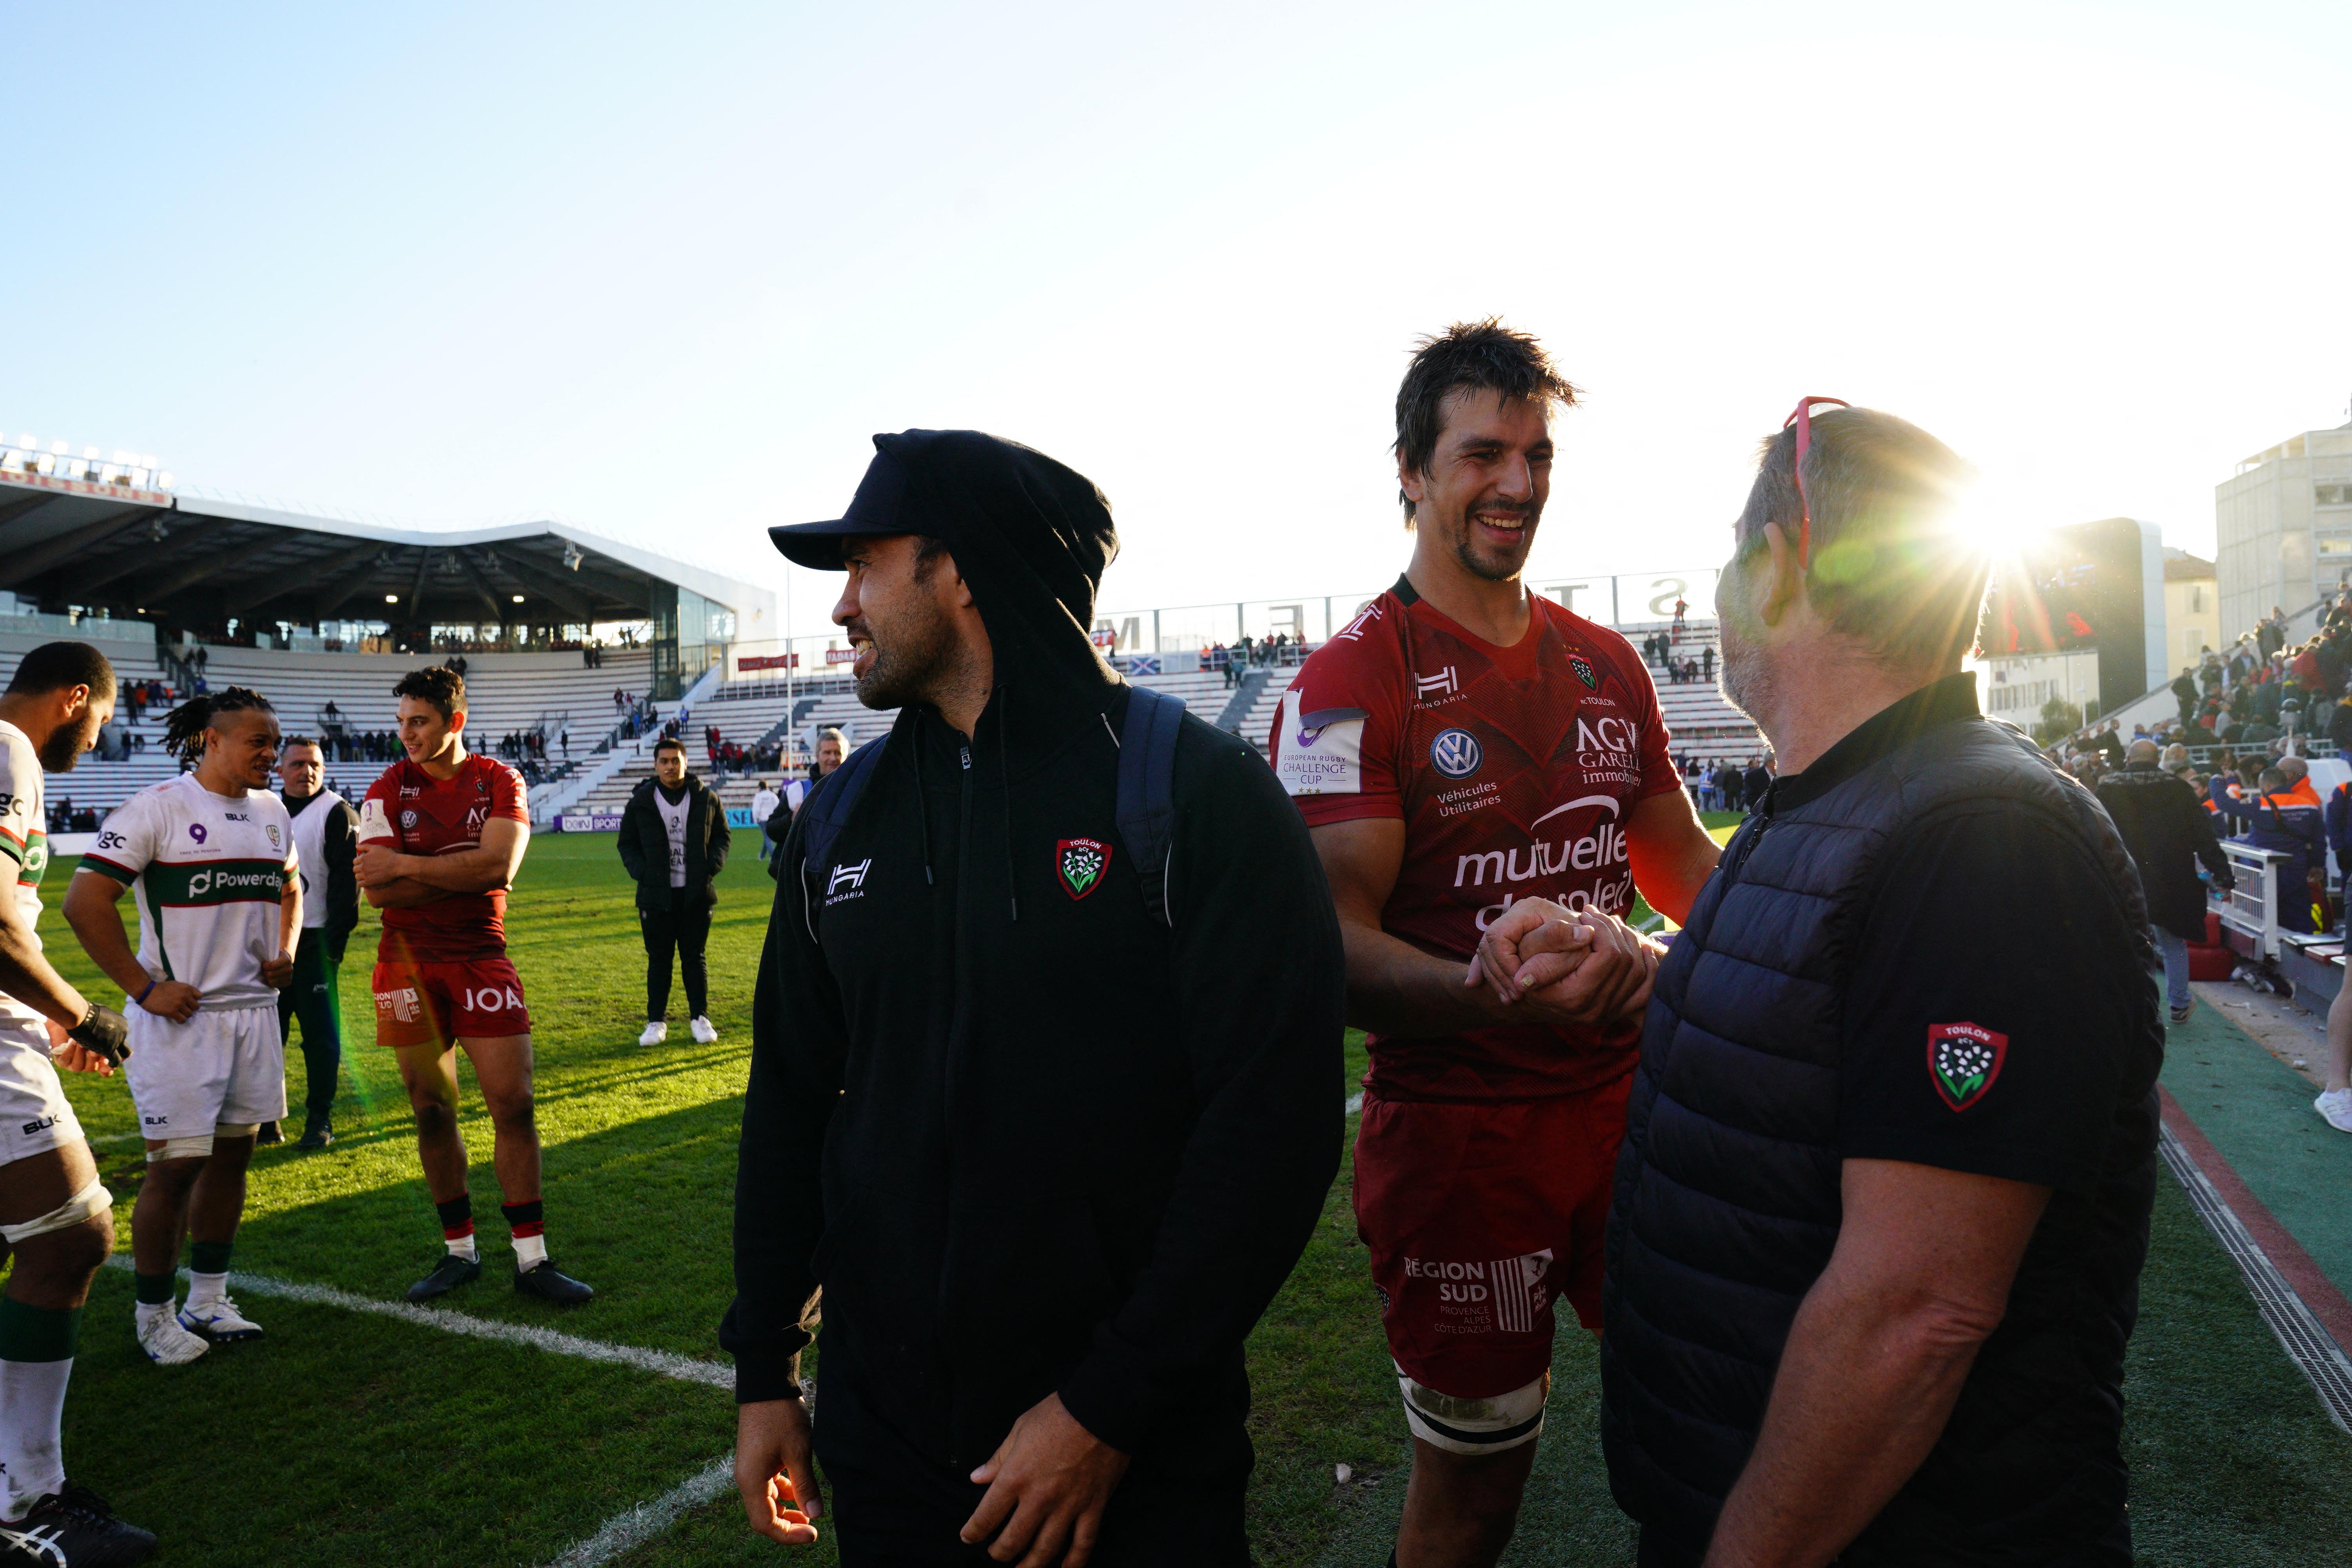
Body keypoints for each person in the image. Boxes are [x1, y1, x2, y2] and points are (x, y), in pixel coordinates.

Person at [728, 429, 1343, 1565]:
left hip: (1135, 1465)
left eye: (865, 567)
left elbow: (1273, 1132)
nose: (842, 608)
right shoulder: (840, 820)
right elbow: (793, 1102)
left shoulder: (1195, 798)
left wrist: (1107, 1408)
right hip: (892, 1457)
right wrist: (767, 1366)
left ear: (956, 572)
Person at [1574, 400, 2164, 1566]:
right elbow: (1819, 1034)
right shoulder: (1836, 797)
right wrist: (1629, 967)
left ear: (1783, 562)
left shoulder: (1981, 832)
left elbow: (1915, 1312)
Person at [1267, 321, 1718, 1568]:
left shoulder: (1607, 665)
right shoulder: (1347, 682)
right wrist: (1488, 988)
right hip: (1461, 1143)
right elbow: (1331, 950)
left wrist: (1695, 953)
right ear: (1410, 471)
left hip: (1640, 1113)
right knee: (1472, 1498)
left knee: (1713, 1436)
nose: (1515, 485)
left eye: (1535, 455)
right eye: (1481, 455)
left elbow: (1684, 871)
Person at [66, 687, 299, 1367]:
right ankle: (154, 1316)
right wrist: (143, 988)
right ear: (212, 740)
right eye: (257, 741)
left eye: (274, 741)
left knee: (234, 1156)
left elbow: (290, 886)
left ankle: (209, 1298)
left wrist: (284, 948)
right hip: (180, 1023)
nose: (270, 754)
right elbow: (86, 902)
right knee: (175, 1168)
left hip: (252, 1017)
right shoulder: (159, 810)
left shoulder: (272, 812)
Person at [354, 668, 591, 1306]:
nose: (406, 734)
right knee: (432, 1108)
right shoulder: (383, 788)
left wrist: (407, 864)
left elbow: (499, 864)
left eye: (419, 722)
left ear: (454, 721)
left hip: (481, 958)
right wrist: (458, 870)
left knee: (513, 1103)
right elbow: (375, 891)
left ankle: (532, 1260)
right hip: (404, 963)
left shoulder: (498, 779)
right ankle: (460, 1251)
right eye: (401, 721)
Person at [0, 644, 156, 1562]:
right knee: (72, 1233)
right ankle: (30, 1503)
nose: (97, 738)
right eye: (97, 720)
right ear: (71, 699)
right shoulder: (10, 751)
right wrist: (83, 1013)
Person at [2096, 739, 2234, 1024]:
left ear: (2128, 760)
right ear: (2158, 759)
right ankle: (2179, 1004)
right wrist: (2223, 876)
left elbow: (2095, 834)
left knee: (2124, 944)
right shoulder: (2179, 789)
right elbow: (2204, 838)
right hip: (2171, 880)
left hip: (2122, 877)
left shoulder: (2108, 789)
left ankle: (2128, 1008)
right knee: (2173, 943)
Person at [269, 737, 359, 1150]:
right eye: (298, 764)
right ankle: (267, 1118)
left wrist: (333, 947)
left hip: (314, 942)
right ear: (280, 769)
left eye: (316, 765)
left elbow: (347, 888)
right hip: (264, 944)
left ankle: (319, 1118)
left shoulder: (338, 813)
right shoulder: (259, 809)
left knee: (321, 1036)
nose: (307, 771)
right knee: (266, 1035)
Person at [618, 737, 729, 1047]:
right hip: (656, 897)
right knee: (659, 960)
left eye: (676, 760)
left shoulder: (706, 797)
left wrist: (711, 866)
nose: (671, 766)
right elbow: (626, 842)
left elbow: (722, 835)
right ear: (656, 765)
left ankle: (700, 1019)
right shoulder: (641, 801)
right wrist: (642, 873)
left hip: (695, 893)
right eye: (664, 761)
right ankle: (656, 1023)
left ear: (685, 762)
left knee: (695, 958)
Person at [2209, 766, 2323, 934]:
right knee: (2299, 917)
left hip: (2263, 869)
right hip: (2297, 869)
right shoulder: (2310, 805)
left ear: (2267, 785)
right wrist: (2317, 864)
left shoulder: (2261, 805)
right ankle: (2303, 950)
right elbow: (2319, 840)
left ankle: (2269, 949)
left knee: (2261, 913)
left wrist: (2216, 781)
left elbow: (2225, 804)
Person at [749, 778, 782, 865]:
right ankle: (762, 856)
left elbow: (756, 809)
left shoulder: (759, 796)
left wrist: (756, 819)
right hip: (772, 818)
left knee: (767, 837)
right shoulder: (772, 795)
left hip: (763, 819)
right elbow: (778, 806)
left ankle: (774, 857)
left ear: (760, 787)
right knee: (768, 837)